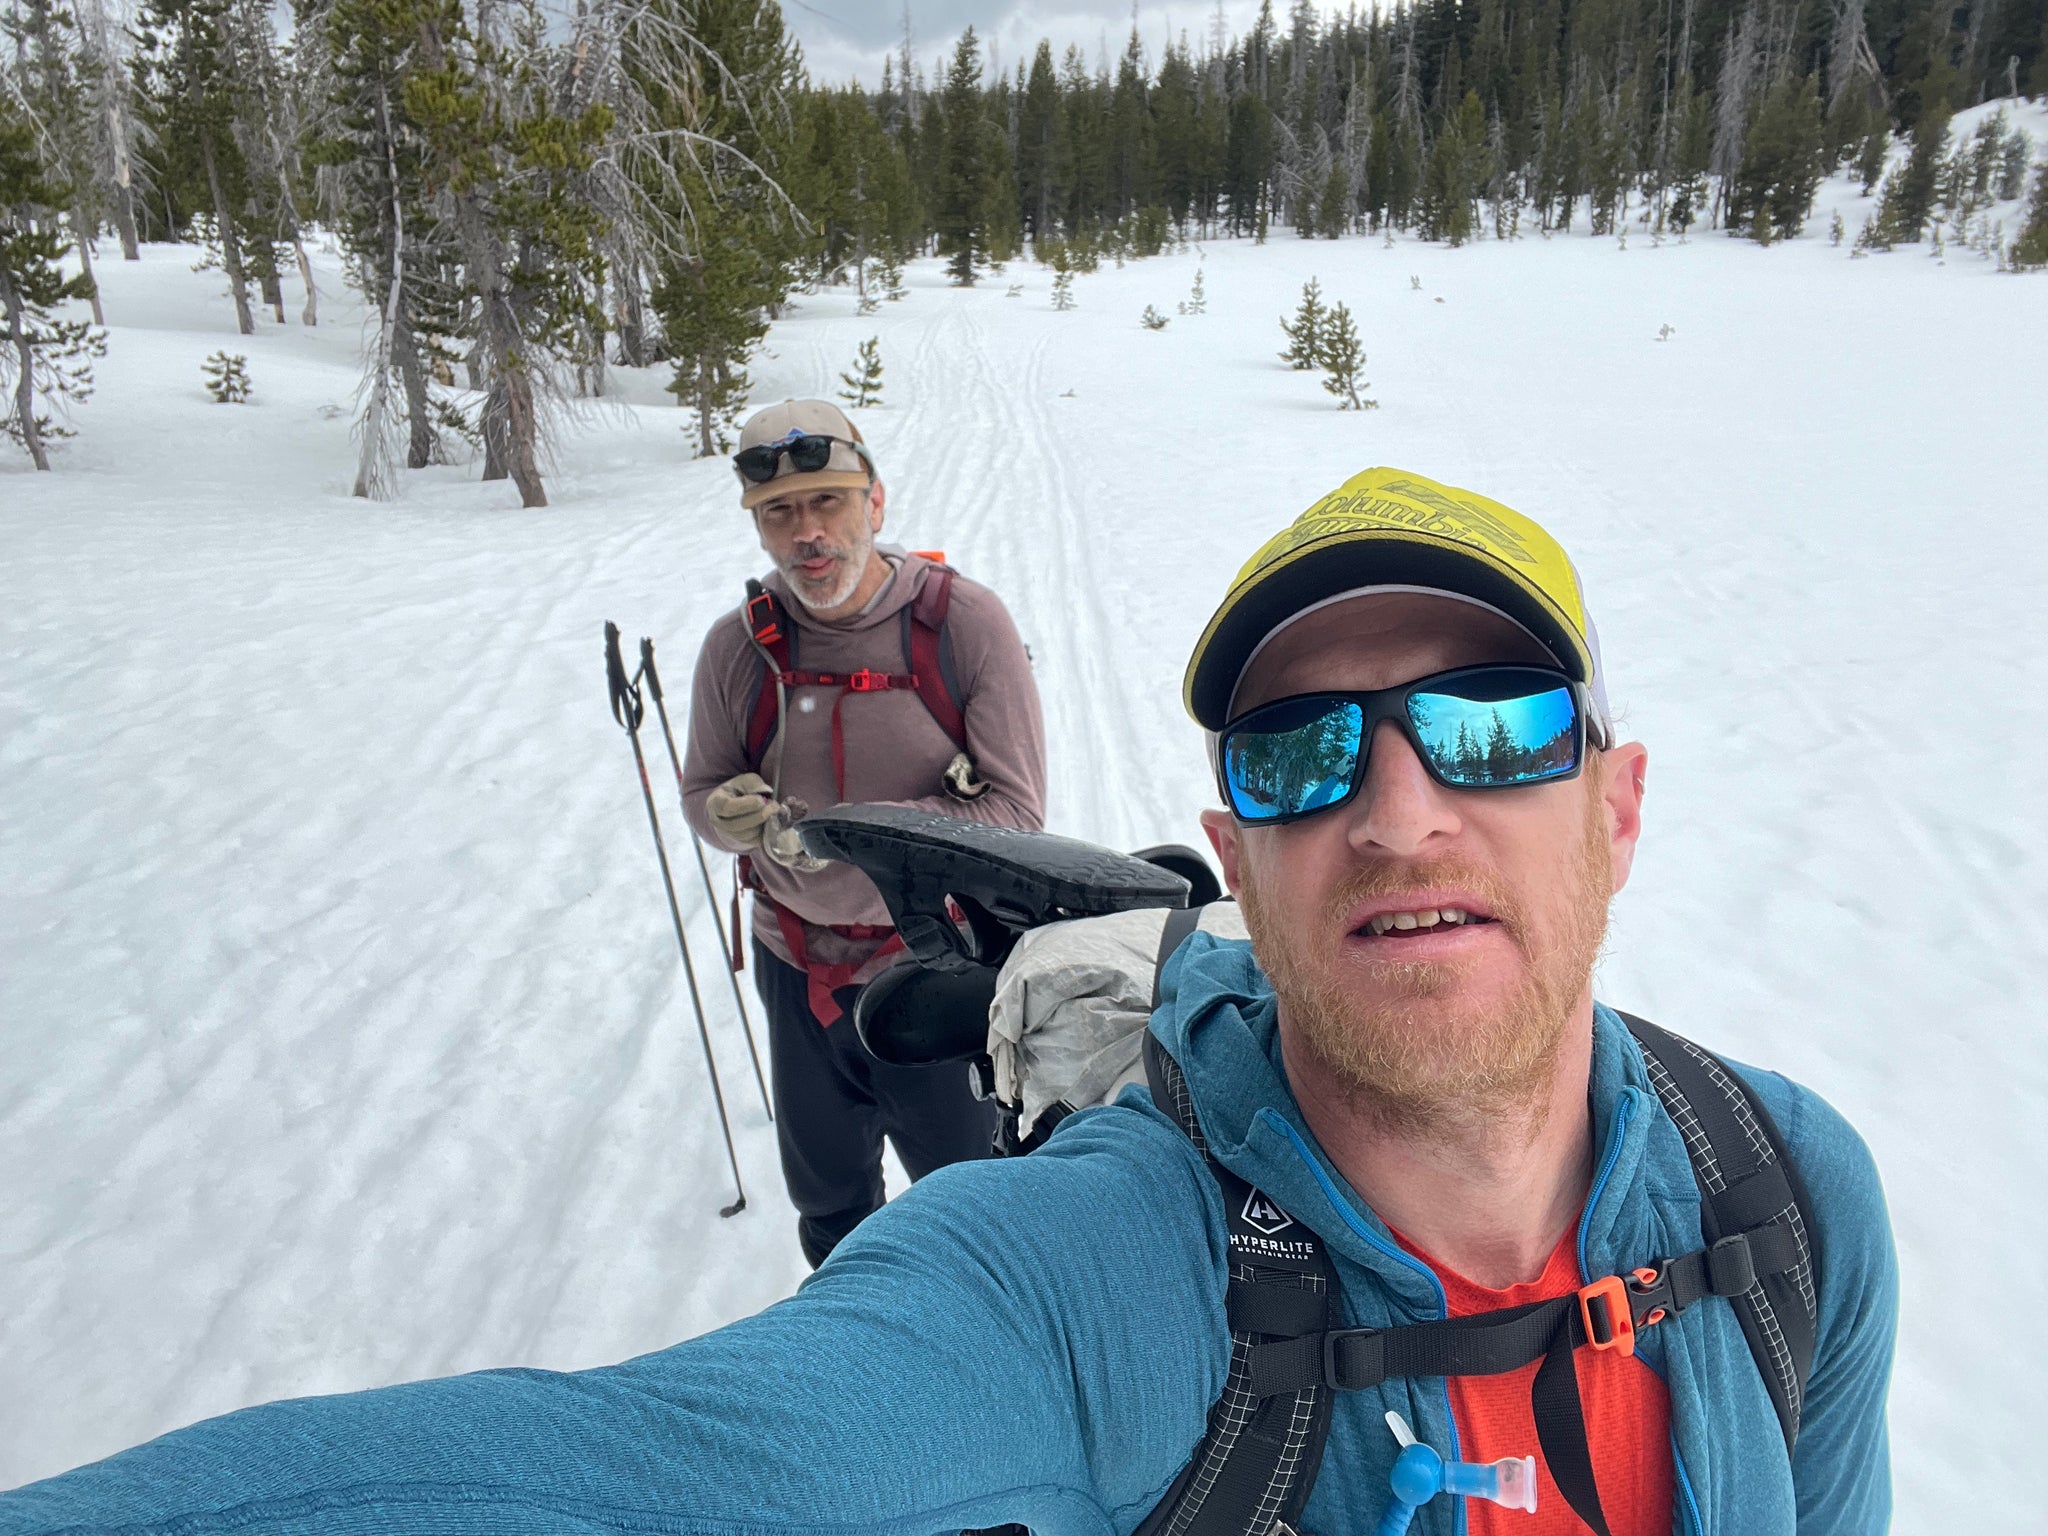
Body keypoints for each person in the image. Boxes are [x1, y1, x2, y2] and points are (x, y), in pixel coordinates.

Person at [0, 468, 1895, 1536]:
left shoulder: (1786, 1199)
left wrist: (901, 841)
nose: (1398, 813)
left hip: (922, 931)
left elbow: (1012, 792)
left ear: (1618, 806)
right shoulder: (1090, 1285)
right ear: (1234, 850)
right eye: (1302, 756)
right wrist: (753, 831)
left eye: (1489, 732)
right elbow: (664, 1477)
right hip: (798, 953)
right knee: (859, 1194)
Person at [683, 399, 1046, 1266]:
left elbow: (1018, 815)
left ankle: (982, 1366)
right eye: (779, 511)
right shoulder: (740, 649)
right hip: (795, 963)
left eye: (829, 503)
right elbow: (702, 792)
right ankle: (853, 1364)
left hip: (940, 969)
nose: (808, 533)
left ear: (875, 504)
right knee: (830, 1207)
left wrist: (852, 836)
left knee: (970, 1202)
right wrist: (727, 817)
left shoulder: (962, 626)